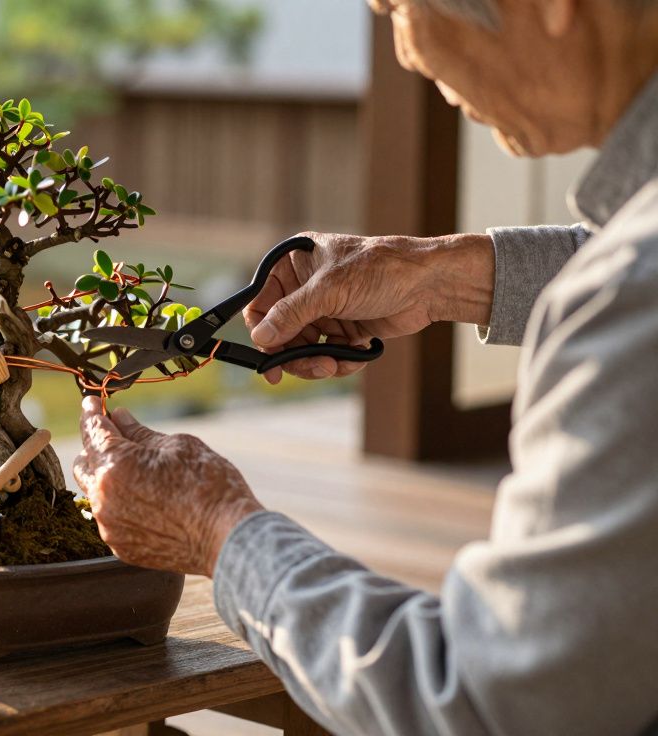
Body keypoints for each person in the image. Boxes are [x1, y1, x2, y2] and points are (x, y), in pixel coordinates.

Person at [73, 0, 658, 733]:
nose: (405, 54)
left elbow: (483, 705)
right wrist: (436, 272)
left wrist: (217, 531)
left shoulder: (634, 293)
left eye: (393, 5)